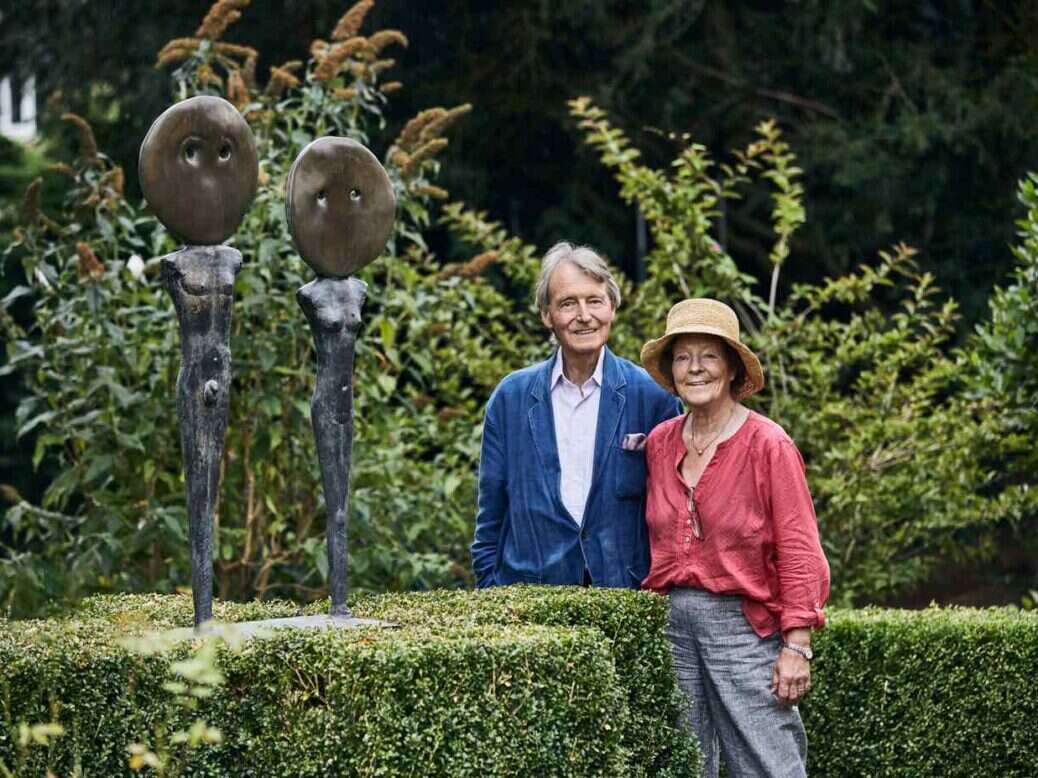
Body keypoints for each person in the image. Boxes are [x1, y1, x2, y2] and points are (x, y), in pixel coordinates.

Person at [638, 298, 830, 778]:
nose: (695, 368)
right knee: (685, 763)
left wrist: (797, 644)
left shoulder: (768, 445)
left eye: (708, 355)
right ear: (671, 370)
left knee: (769, 765)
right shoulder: (660, 443)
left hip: (744, 628)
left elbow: (800, 550)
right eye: (683, 356)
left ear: (730, 368)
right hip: (673, 626)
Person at [471, 242, 681, 588]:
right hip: (529, 597)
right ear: (546, 315)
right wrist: (491, 588)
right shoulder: (510, 398)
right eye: (568, 303)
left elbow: (672, 515)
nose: (584, 315)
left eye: (594, 300)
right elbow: (490, 514)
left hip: (622, 597)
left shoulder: (653, 396)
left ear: (612, 307)